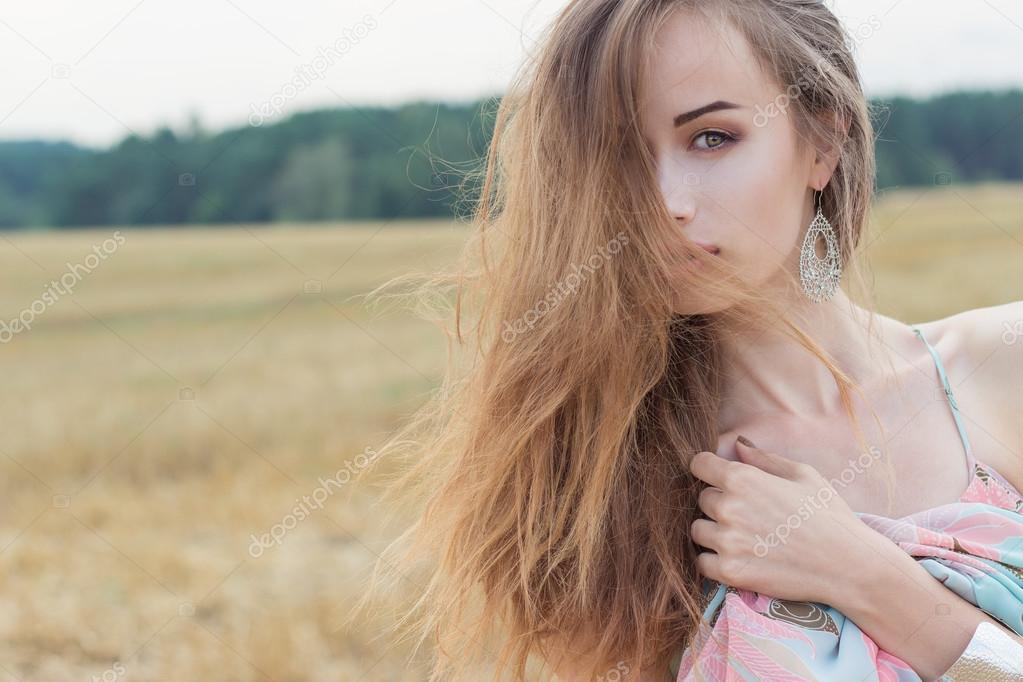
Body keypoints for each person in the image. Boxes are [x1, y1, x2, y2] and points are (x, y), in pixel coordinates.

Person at [350, 1, 1023, 679]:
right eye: (619, 156)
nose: (663, 202)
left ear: (821, 142)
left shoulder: (1005, 364)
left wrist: (859, 572)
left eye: (711, 137)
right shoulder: (606, 489)